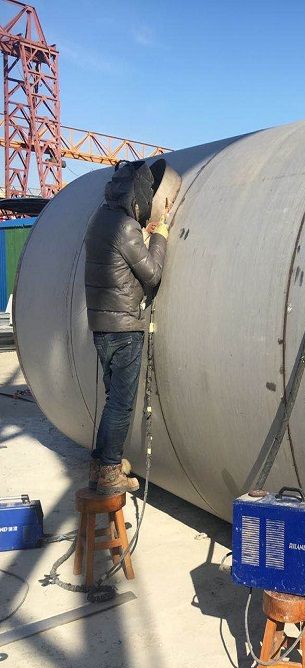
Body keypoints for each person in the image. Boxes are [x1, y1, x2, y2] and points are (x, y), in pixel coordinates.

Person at [84, 159, 170, 495]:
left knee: (112, 399)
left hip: (102, 326)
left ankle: (100, 462)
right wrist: (159, 237)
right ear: (136, 197)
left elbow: (120, 260)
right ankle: (109, 471)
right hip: (124, 328)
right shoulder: (126, 227)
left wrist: (142, 237)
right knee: (121, 403)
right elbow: (152, 274)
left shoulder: (100, 218)